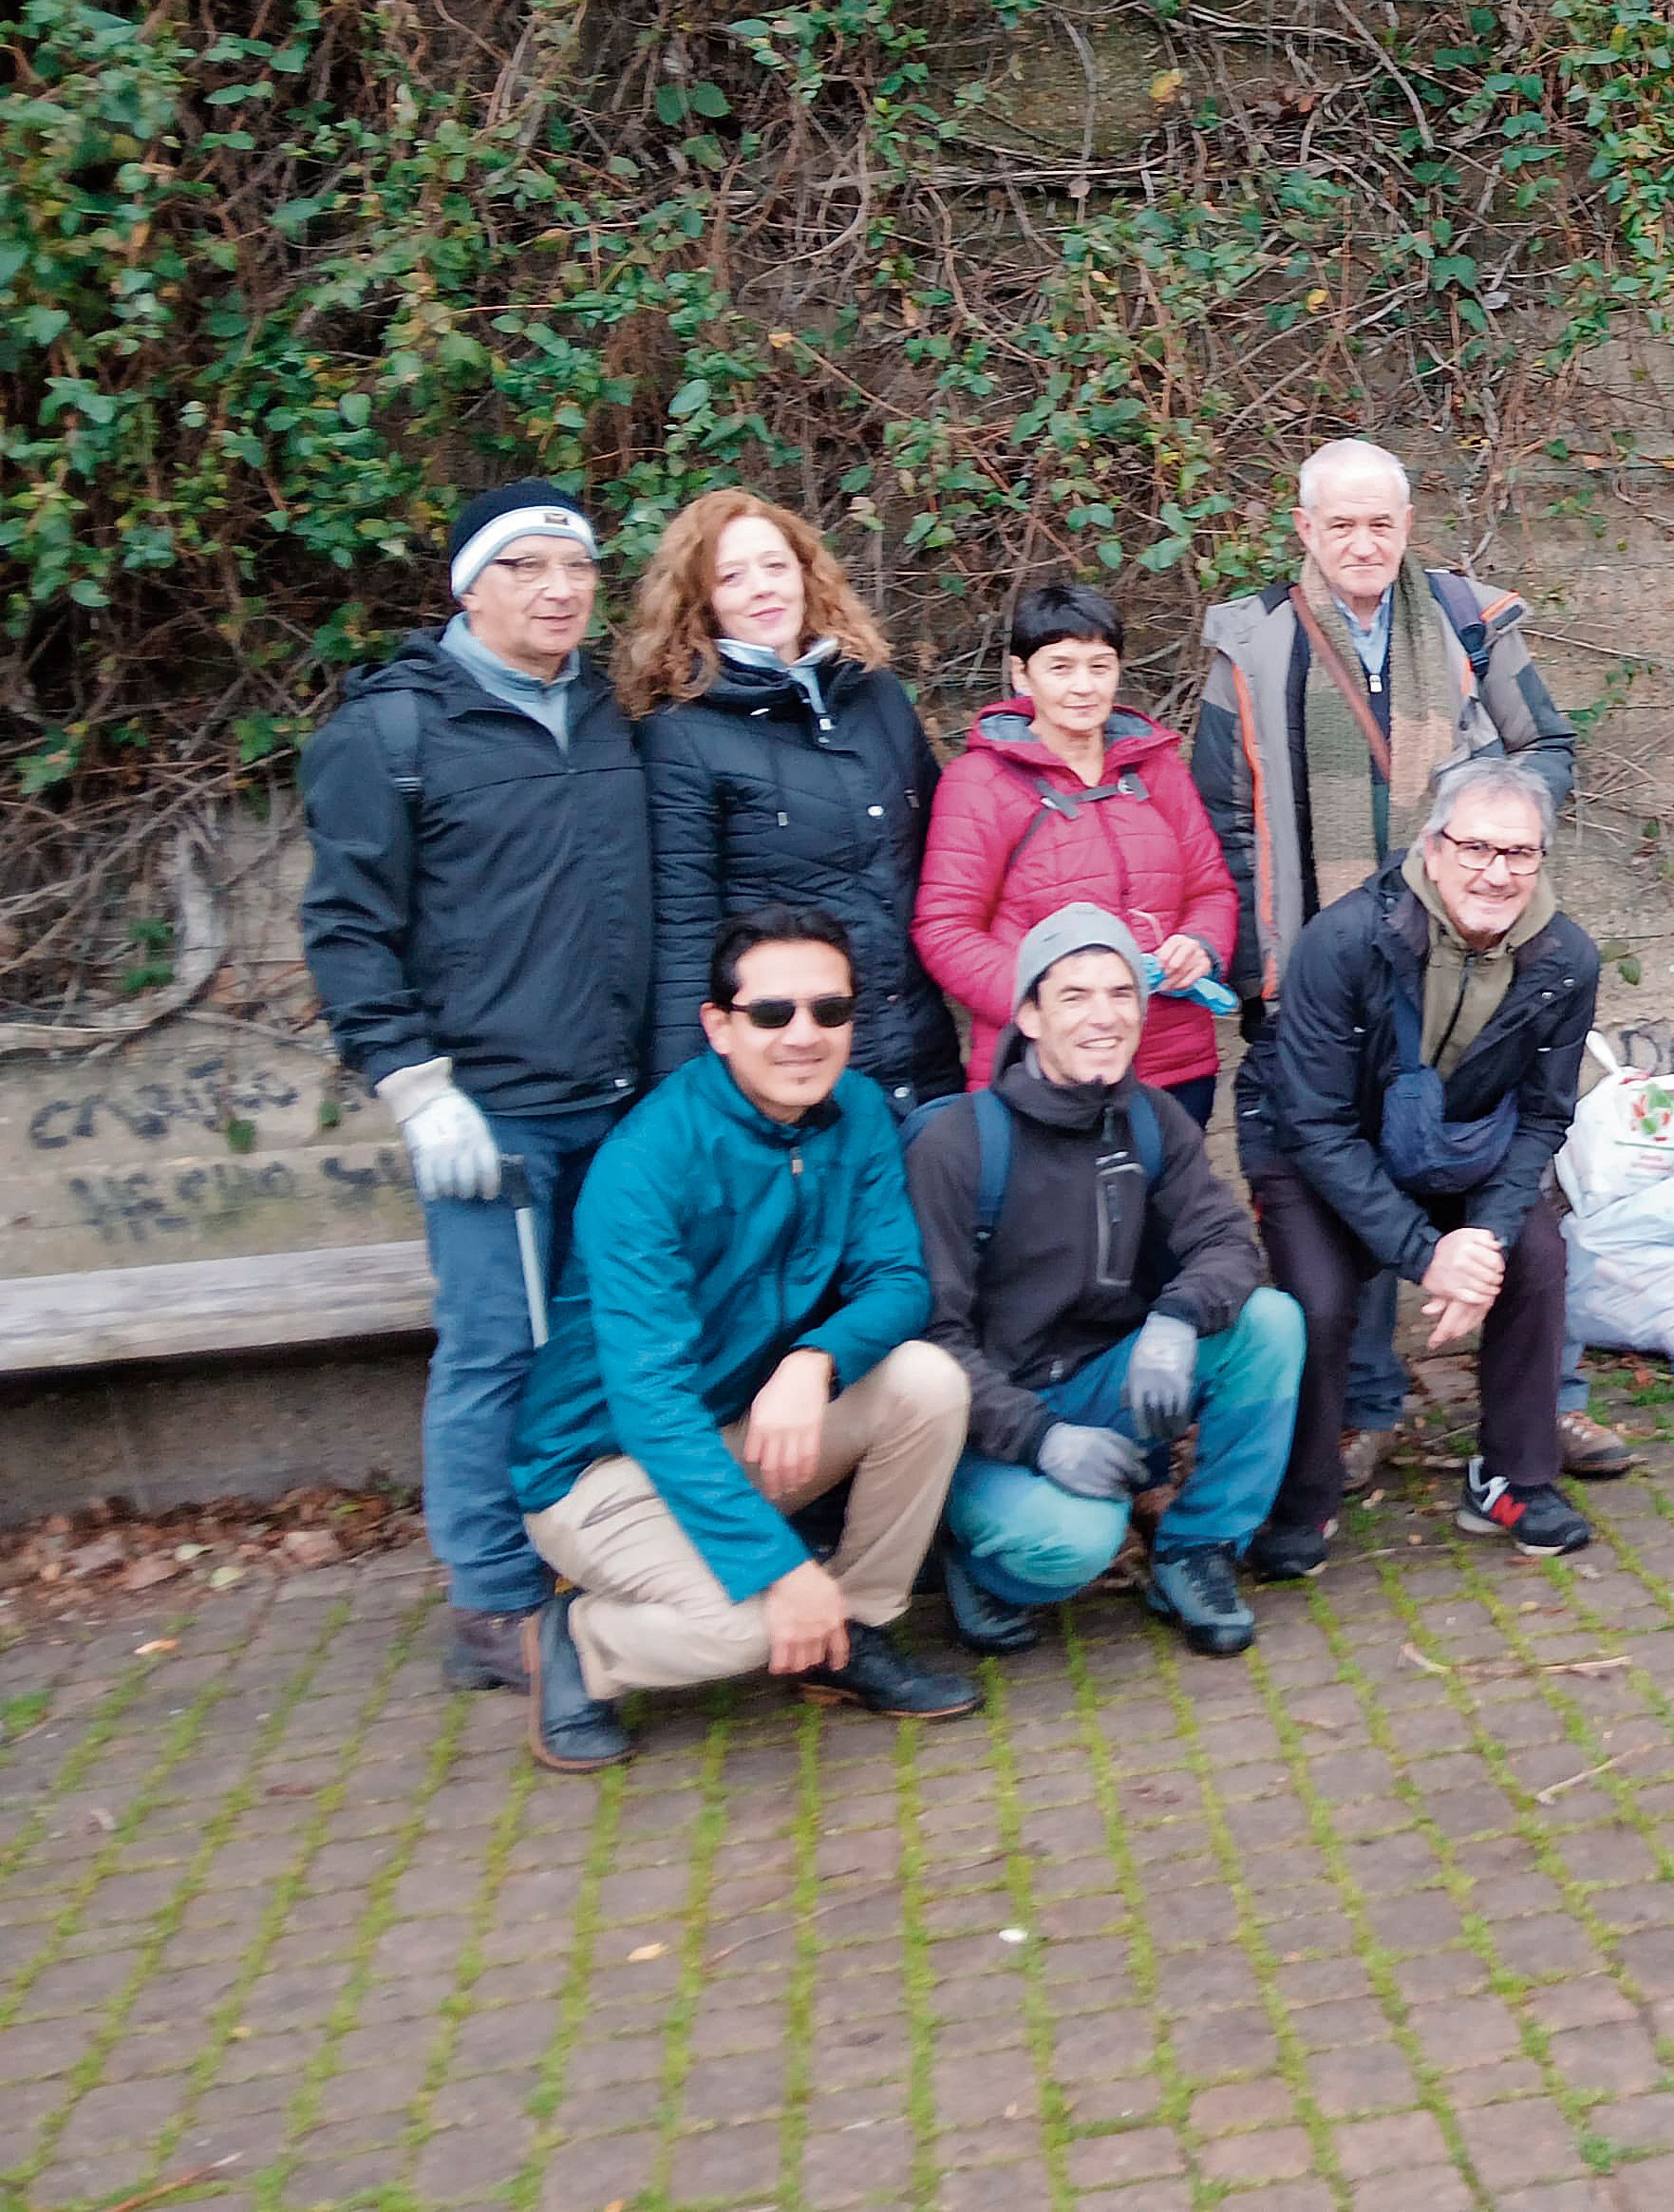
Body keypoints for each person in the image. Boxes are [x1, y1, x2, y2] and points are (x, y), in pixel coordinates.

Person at [1194, 438, 1614, 1494]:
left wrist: (1493, 831)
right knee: (1353, 1175)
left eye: (1381, 523)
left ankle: (1547, 1403)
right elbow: (1223, 820)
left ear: (1408, 524)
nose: (1363, 543)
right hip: (1331, 962)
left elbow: (1549, 746)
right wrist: (1261, 975)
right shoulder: (1255, 648)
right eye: (1340, 524)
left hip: (1474, 950)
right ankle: (1368, 1412)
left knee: (1515, 1157)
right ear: (1303, 531)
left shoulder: (1472, 622)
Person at [299, 478, 653, 1699]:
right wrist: (411, 1085)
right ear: (468, 586)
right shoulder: (392, 735)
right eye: (526, 568)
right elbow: (347, 928)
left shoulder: (612, 713)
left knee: (606, 1339)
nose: (558, 590)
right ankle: (491, 1599)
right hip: (492, 1112)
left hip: (618, 1100)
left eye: (578, 569)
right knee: (496, 1347)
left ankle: (588, 1553)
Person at [504, 907, 976, 1770]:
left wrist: (814, 1360)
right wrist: (782, 1570)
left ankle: (855, 1632)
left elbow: (901, 1282)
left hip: (740, 1429)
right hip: (601, 1469)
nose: (805, 1036)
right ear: (719, 1028)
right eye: (773, 1014)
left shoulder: (858, 1112)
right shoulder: (648, 1161)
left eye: (830, 1012)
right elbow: (650, 1406)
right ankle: (581, 1639)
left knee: (926, 1380)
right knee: (746, 1632)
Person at [1242, 755, 1599, 1575]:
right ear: (1432, 846)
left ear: (1542, 859)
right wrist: (1426, 1252)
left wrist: (1486, 1243)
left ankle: (1513, 1478)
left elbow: (1545, 1113)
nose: (1496, 873)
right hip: (1312, 1147)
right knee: (1320, 1301)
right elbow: (1316, 1122)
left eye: (1519, 854)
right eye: (1476, 847)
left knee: (1537, 1258)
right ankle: (1304, 1497)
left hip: (1459, 1145)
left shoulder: (1566, 960)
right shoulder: (1344, 941)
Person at [915, 905, 1301, 1660]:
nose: (1104, 1017)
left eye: (1122, 993)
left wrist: (1177, 1320)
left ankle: (1198, 1550)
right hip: (988, 1419)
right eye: (1074, 996)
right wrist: (1038, 1436)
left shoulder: (1152, 1120)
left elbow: (1226, 1242)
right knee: (1076, 1544)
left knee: (1270, 1323)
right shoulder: (957, 1144)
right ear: (1027, 1014)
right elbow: (930, 1337)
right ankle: (978, 1563)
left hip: (1102, 1382)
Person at [626, 489, 962, 1117]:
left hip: (924, 1057)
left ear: (806, 575)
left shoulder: (874, 693)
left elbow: (946, 865)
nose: (762, 589)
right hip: (796, 1074)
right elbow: (684, 933)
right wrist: (679, 1103)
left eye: (776, 567)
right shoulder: (681, 731)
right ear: (703, 601)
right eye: (732, 576)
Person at [915, 582, 1239, 1125]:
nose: (1084, 687)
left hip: (1172, 1062)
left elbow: (1211, 888)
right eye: (1061, 667)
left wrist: (1201, 945)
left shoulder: (1155, 768)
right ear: (1022, 675)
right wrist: (1045, 1001)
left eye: (1100, 666)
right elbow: (944, 929)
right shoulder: (980, 782)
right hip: (1042, 1067)